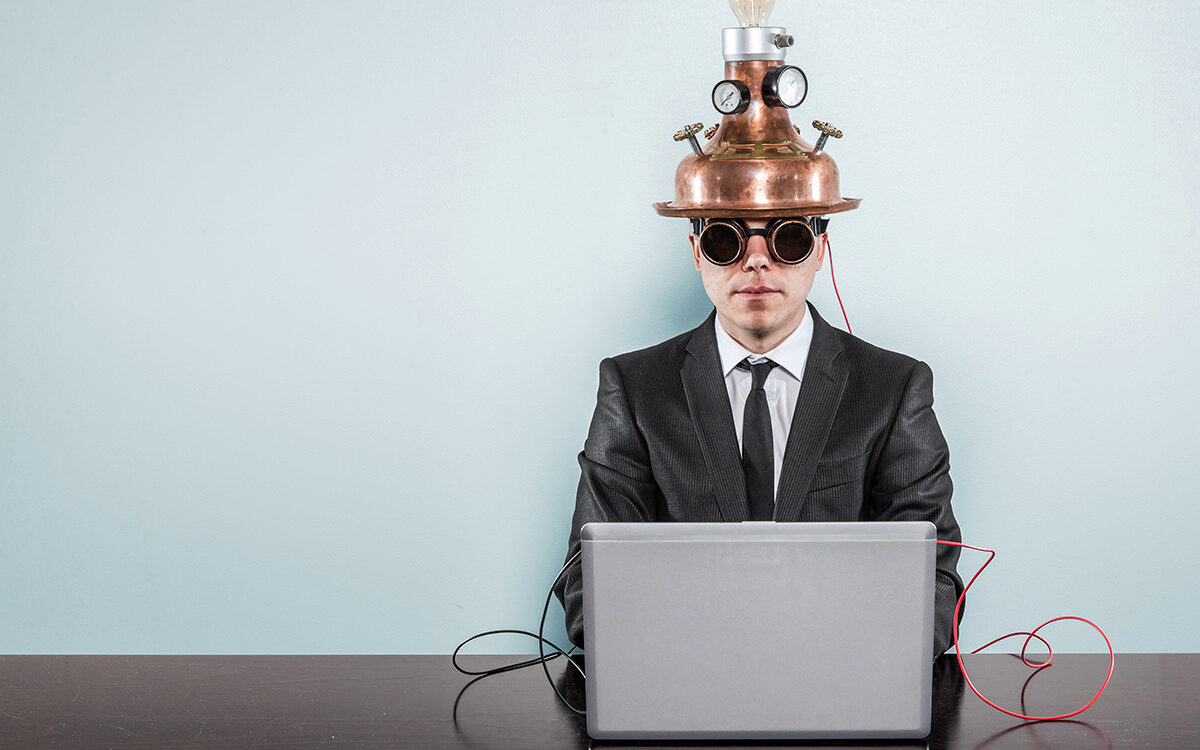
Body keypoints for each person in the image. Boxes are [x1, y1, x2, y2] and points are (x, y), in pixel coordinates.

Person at [554, 217, 964, 658]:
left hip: (840, 684)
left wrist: (841, 660)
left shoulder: (895, 387)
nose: (755, 260)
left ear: (821, 248)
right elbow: (589, 588)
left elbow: (934, 584)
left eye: (786, 238)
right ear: (696, 251)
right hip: (684, 684)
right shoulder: (632, 388)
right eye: (724, 240)